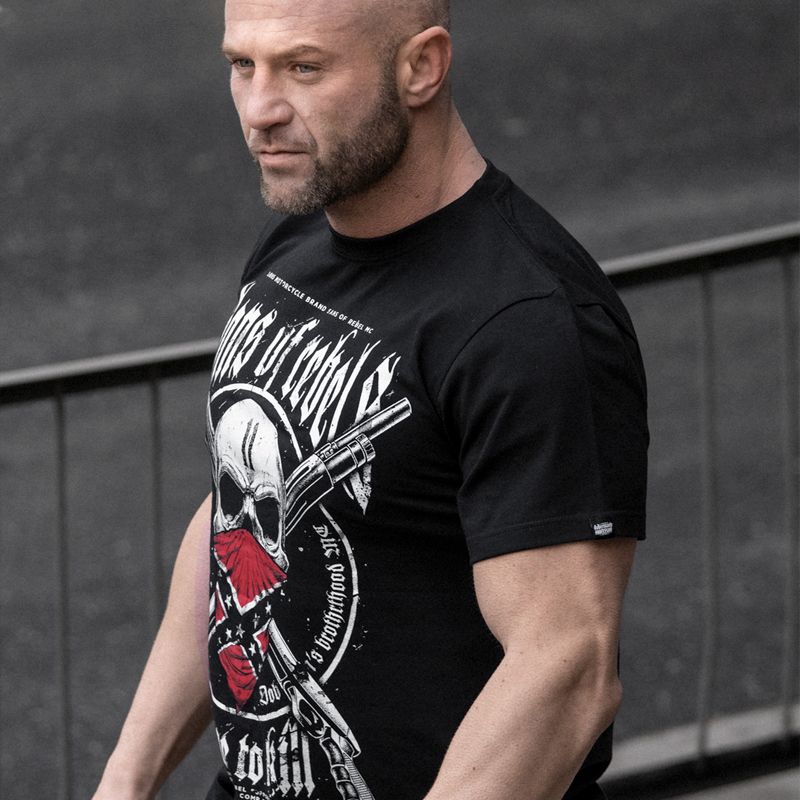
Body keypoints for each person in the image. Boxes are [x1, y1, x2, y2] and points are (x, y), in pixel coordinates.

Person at [93, 1, 648, 798]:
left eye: (303, 67)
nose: (260, 110)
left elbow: (565, 669)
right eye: (242, 65)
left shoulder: (527, 323)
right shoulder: (299, 239)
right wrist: (125, 780)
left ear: (421, 67)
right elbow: (227, 523)